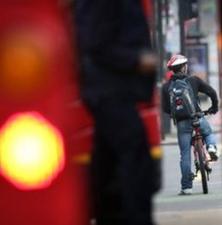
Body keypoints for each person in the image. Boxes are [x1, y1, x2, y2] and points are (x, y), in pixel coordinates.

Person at [74, 1, 158, 225]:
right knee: (135, 157)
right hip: (109, 91)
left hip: (109, 90)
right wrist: (137, 60)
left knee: (108, 163)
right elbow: (95, 43)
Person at [161, 54, 219, 195]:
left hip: (182, 124)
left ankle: (187, 187)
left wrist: (176, 114)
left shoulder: (166, 87)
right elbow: (212, 92)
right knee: (208, 132)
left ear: (172, 70)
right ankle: (211, 147)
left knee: (185, 154)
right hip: (197, 118)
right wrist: (214, 108)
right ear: (184, 67)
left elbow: (165, 108)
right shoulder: (193, 80)